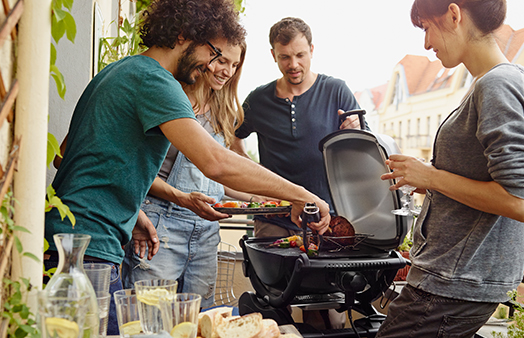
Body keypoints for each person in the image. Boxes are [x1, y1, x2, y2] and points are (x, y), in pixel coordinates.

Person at [45, 0, 330, 335]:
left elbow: (67, 155)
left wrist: (131, 211)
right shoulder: (156, 82)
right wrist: (301, 195)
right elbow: (216, 162)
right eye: (211, 52)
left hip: (68, 239)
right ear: (182, 35)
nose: (211, 65)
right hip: (90, 247)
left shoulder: (119, 71)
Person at [376, 0, 524, 337]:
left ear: (454, 14)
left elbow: (519, 201)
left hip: (453, 285)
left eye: (426, 28)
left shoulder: (497, 85)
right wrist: (426, 180)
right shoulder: (492, 83)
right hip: (453, 280)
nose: (426, 44)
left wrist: (432, 176)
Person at [231, 17, 361, 330]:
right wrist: (253, 176)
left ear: (312, 51)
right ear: (273, 55)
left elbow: (360, 148)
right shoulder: (257, 100)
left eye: (300, 55)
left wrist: (355, 130)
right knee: (279, 307)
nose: (293, 64)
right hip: (274, 222)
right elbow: (231, 138)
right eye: (285, 57)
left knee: (329, 309)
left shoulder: (336, 90)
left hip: (326, 222)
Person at [121, 40, 253, 309]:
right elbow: (136, 170)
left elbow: (220, 176)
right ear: (204, 55)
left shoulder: (224, 111)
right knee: (151, 318)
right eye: (221, 61)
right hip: (160, 226)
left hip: (206, 234)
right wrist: (180, 197)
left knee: (197, 320)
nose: (227, 71)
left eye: (235, 65)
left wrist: (262, 198)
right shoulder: (168, 97)